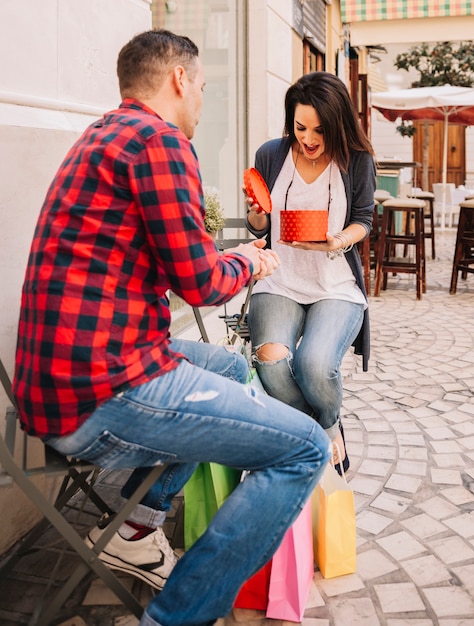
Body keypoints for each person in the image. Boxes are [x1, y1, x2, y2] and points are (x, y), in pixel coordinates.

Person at [12, 29, 331, 626]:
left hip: (59, 384)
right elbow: (202, 285)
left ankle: (138, 527)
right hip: (102, 393)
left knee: (233, 365)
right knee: (303, 448)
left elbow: (172, 260)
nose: (204, 100)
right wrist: (252, 260)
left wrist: (220, 257)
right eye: (204, 86)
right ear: (180, 79)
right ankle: (176, 616)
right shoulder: (158, 142)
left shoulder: (103, 133)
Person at [245, 71, 376, 474]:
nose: (309, 138)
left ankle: (321, 430)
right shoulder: (271, 155)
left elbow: (364, 219)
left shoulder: (356, 161)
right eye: (300, 127)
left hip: (334, 283)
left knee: (315, 366)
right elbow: (258, 228)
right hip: (280, 279)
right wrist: (257, 213)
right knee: (270, 361)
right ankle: (324, 432)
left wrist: (337, 241)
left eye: (319, 130)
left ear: (337, 124)